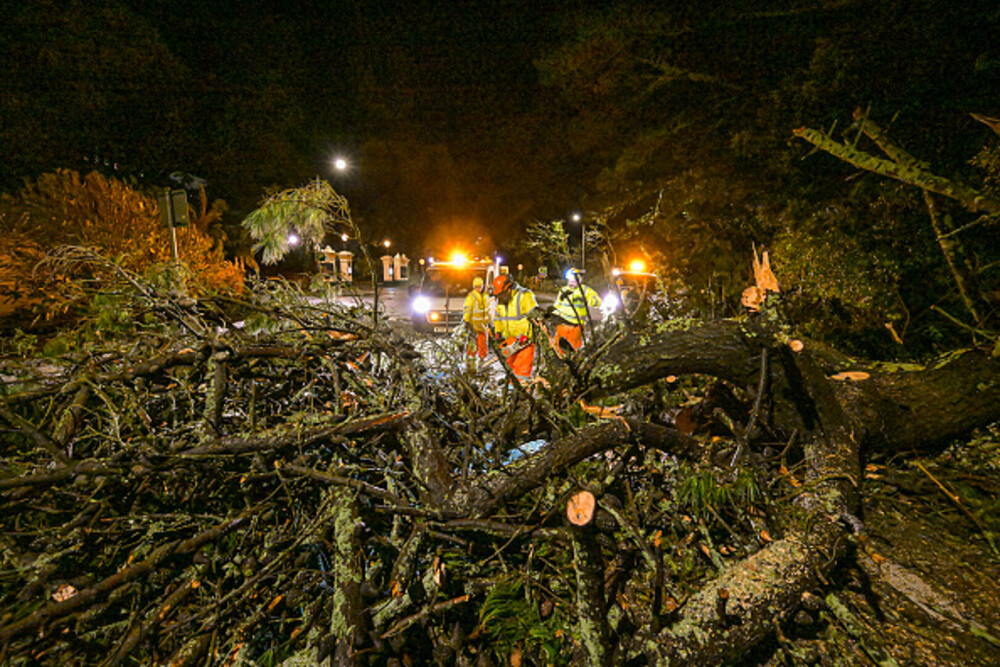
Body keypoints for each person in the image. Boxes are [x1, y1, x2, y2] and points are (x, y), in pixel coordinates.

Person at [491, 274, 539, 382]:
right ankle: (513, 395)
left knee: (521, 375)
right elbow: (498, 319)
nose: (499, 298)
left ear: (508, 289)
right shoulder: (501, 300)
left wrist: (530, 336)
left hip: (524, 343)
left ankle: (523, 396)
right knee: (511, 373)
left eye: (501, 294)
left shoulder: (524, 296)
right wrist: (498, 332)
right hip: (509, 342)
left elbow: (536, 318)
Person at [551, 268, 602, 352]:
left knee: (572, 347)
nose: (571, 283)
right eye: (570, 280)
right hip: (562, 325)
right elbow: (557, 305)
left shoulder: (585, 290)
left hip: (575, 327)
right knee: (557, 346)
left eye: (574, 281)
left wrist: (587, 300)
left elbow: (598, 302)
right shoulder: (563, 290)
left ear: (579, 280)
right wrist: (552, 315)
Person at [463, 275, 490, 371]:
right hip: (474, 325)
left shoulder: (485, 296)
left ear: (483, 286)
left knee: (483, 343)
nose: (478, 288)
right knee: (473, 343)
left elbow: (488, 310)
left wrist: (490, 322)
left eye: (479, 286)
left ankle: (482, 359)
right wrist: (467, 321)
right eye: (476, 287)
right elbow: (468, 309)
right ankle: (471, 361)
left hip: (483, 325)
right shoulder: (471, 296)